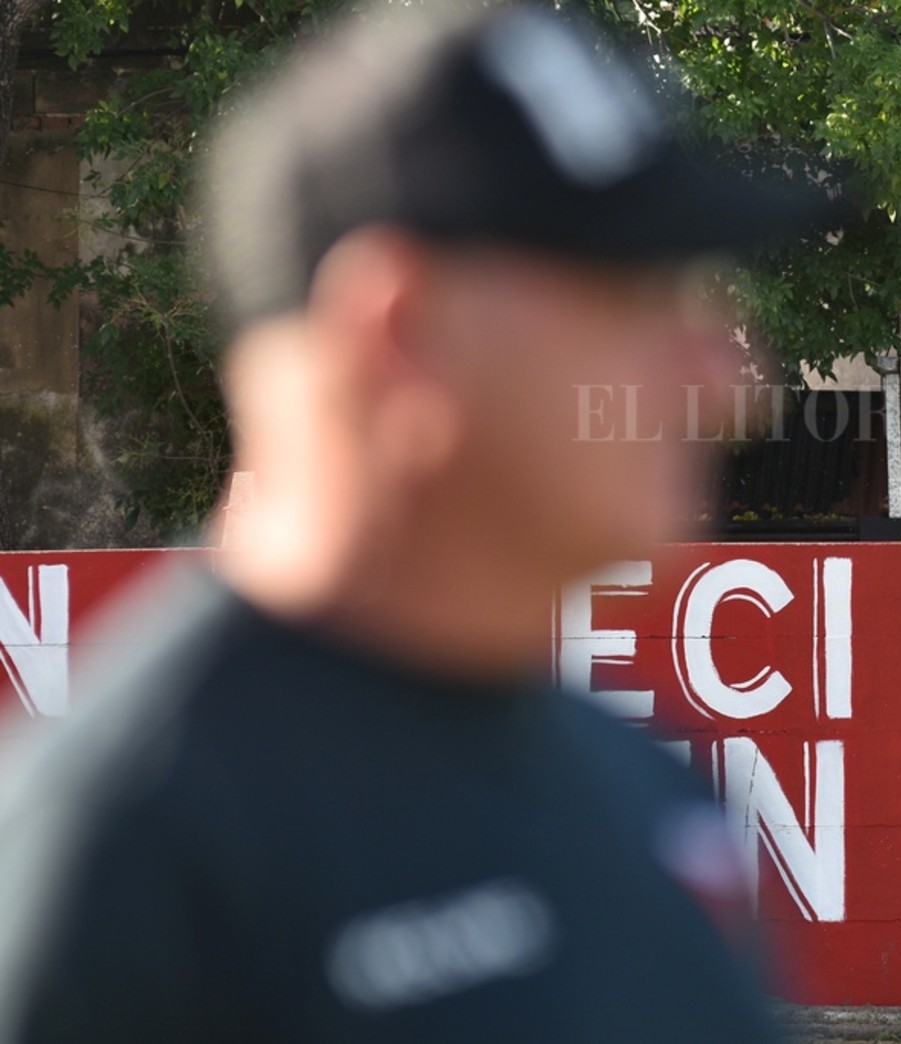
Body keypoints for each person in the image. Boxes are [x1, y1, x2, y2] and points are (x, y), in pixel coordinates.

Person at [0, 3, 846, 1041]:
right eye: (638, 298)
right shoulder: (123, 862)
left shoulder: (651, 784)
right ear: (401, 334)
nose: (727, 384)